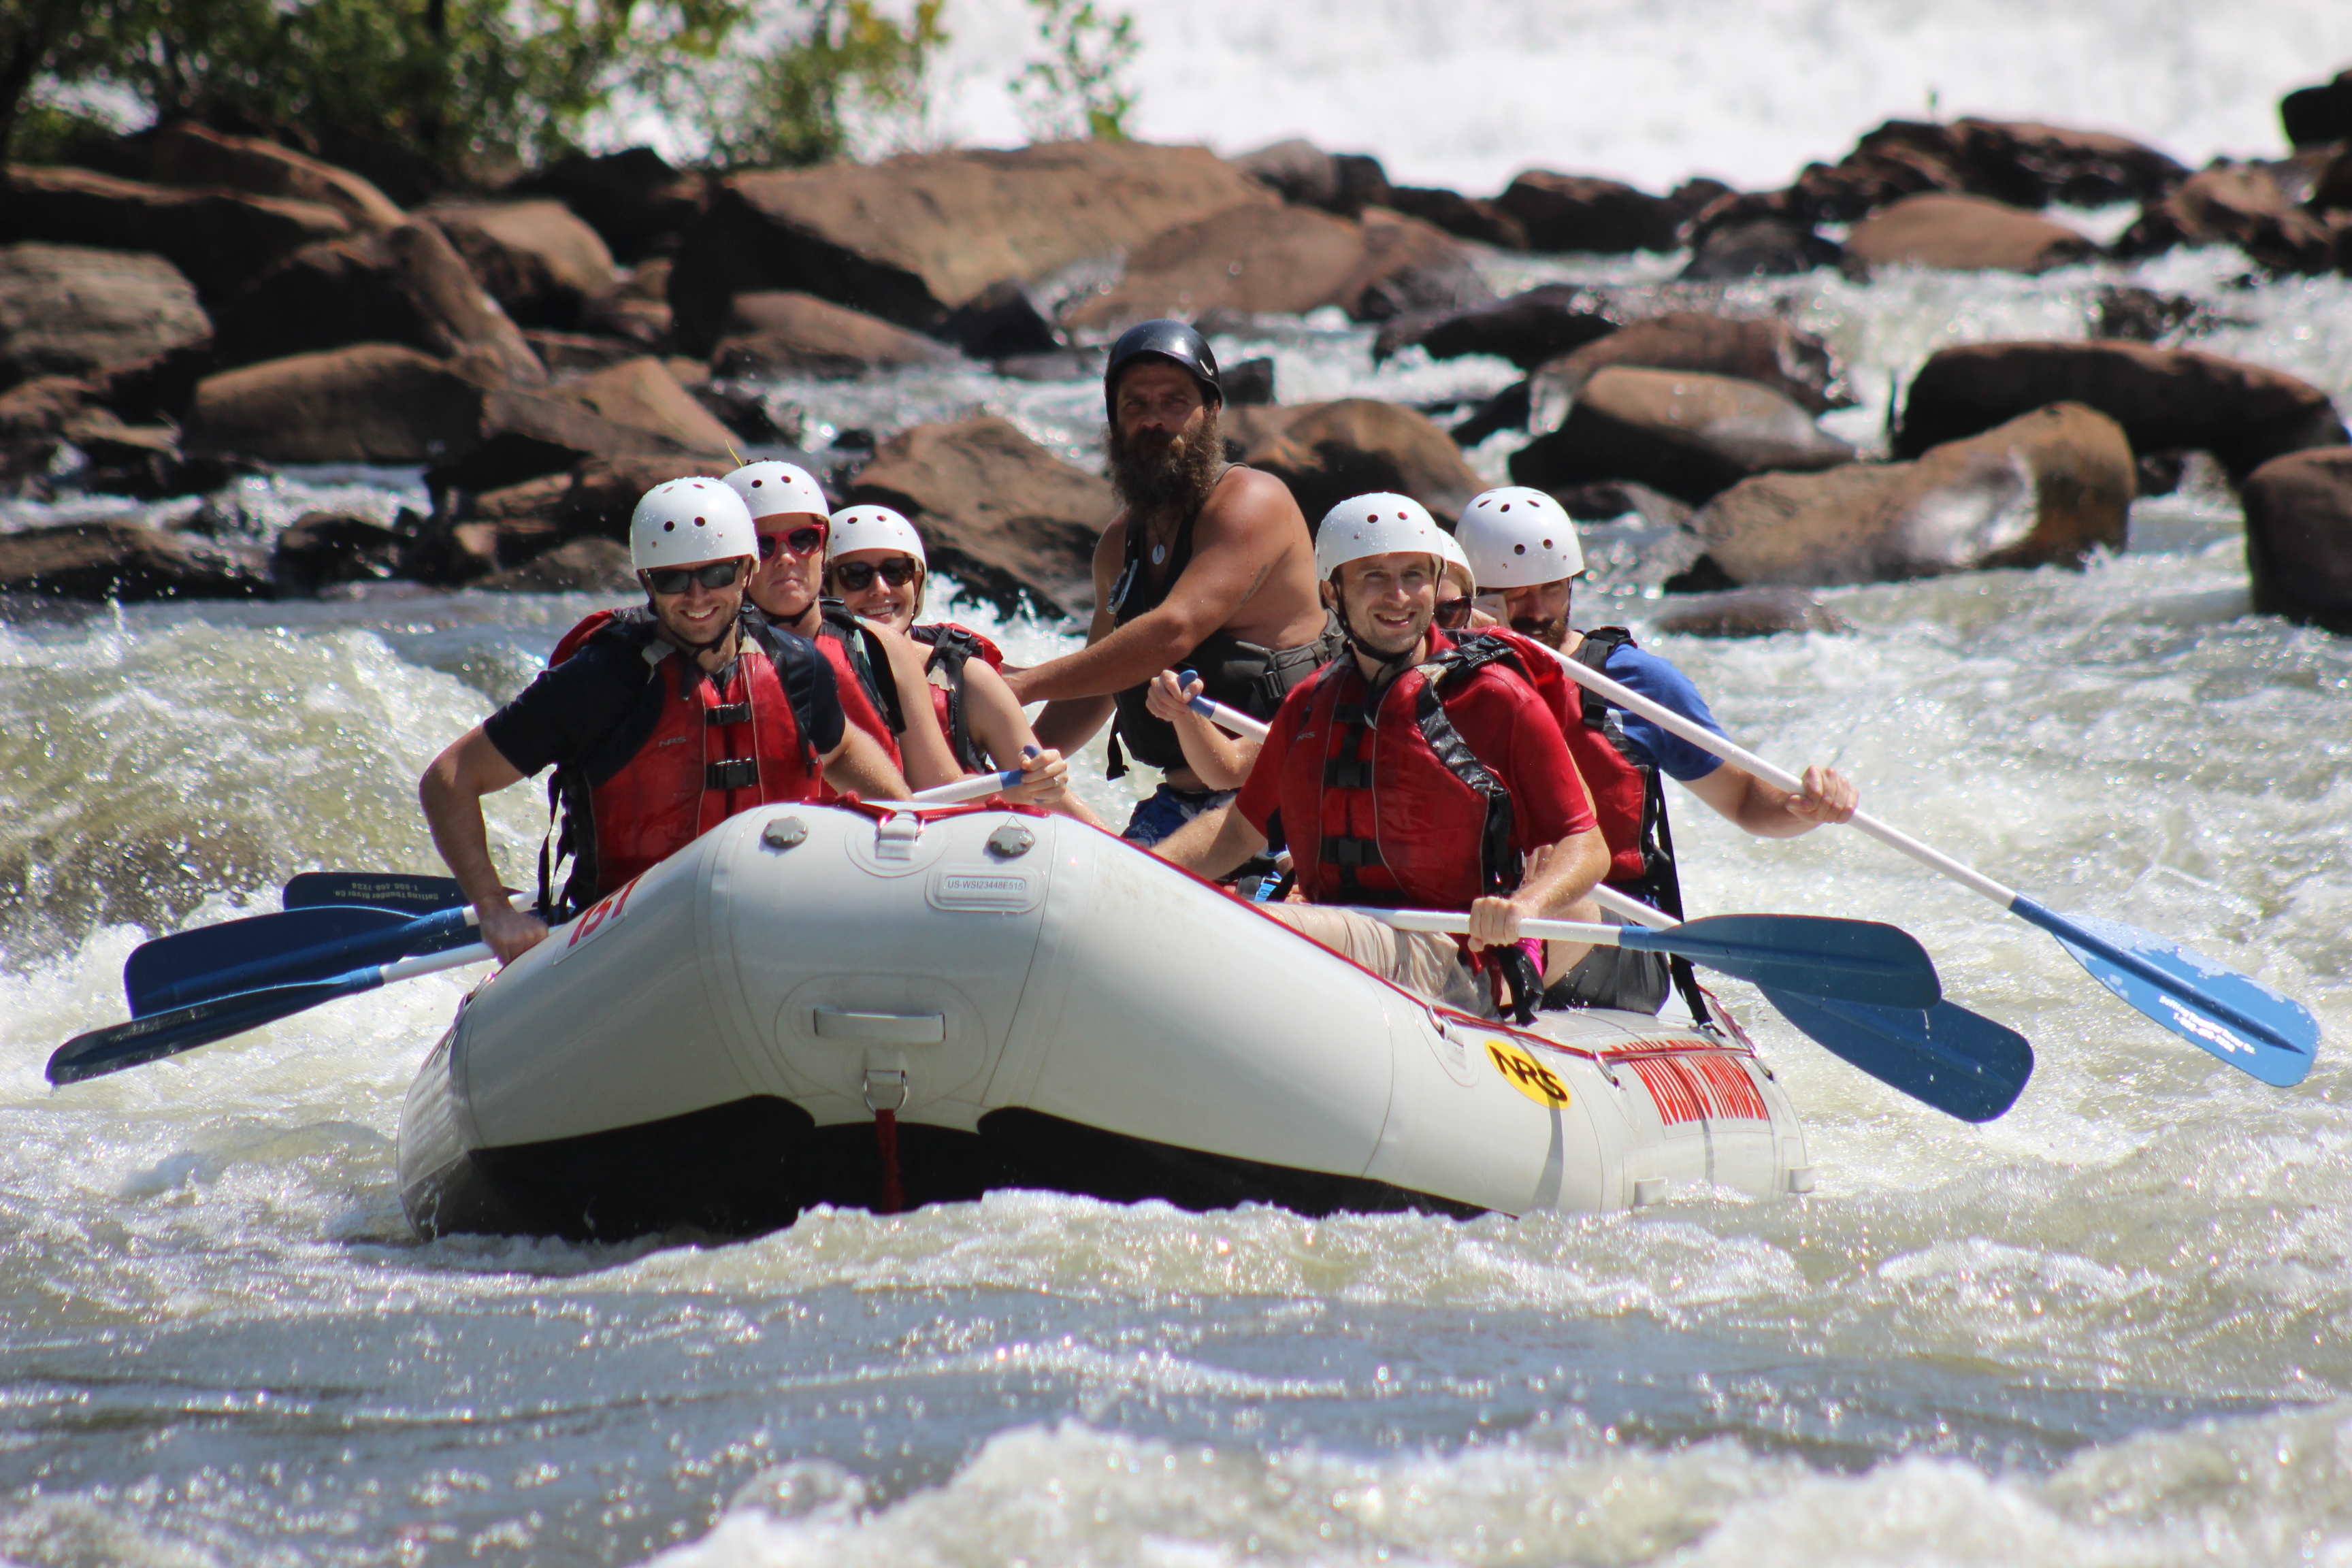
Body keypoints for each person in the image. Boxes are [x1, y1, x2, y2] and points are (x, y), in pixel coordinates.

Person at [1154, 494, 1610, 1020]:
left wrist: (1527, 905)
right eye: (1374, 577)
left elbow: (1586, 843)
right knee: (1216, 918)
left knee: (1260, 927)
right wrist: (1144, 870)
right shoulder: (1310, 703)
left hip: (1449, 959)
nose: (1399, 597)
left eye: (1415, 575)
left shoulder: (1496, 696)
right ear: (1332, 592)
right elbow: (1239, 832)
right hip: (1337, 934)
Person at [419, 478, 909, 963]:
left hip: (772, 922)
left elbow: (841, 749)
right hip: (629, 941)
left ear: (746, 570)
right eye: (673, 579)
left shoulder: (796, 667)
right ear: (647, 582)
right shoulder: (598, 680)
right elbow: (449, 780)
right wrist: (494, 910)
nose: (696, 597)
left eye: (716, 574)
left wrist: (904, 815)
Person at [1455, 485, 1859, 1015]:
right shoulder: (1439, 678)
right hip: (1479, 913)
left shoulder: (1634, 683)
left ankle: (1470, 1001)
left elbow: (1743, 799)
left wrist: (1801, 806)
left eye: (1551, 590)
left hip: (1615, 934)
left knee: (1560, 905)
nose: (1535, 612)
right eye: (1511, 595)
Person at [1006, 319, 1339, 847]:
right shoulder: (1120, 545)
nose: (1153, 420)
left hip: (1285, 799)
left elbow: (1172, 632)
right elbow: (1099, 681)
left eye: (1175, 402)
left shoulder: (1252, 501)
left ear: (1213, 411)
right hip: (1177, 805)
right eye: (1134, 405)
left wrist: (1024, 683)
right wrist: (1007, 758)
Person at [823, 502, 1086, 819]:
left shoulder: (969, 678)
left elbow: (1058, 802)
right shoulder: (805, 667)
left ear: (916, 583)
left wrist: (1044, 778)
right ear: (827, 588)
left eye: (896, 572)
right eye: (856, 576)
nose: (880, 589)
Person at [723, 459, 905, 791]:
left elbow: (937, 782)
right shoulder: (709, 659)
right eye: (764, 545)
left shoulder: (881, 646)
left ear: (825, 549)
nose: (786, 557)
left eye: (804, 539)